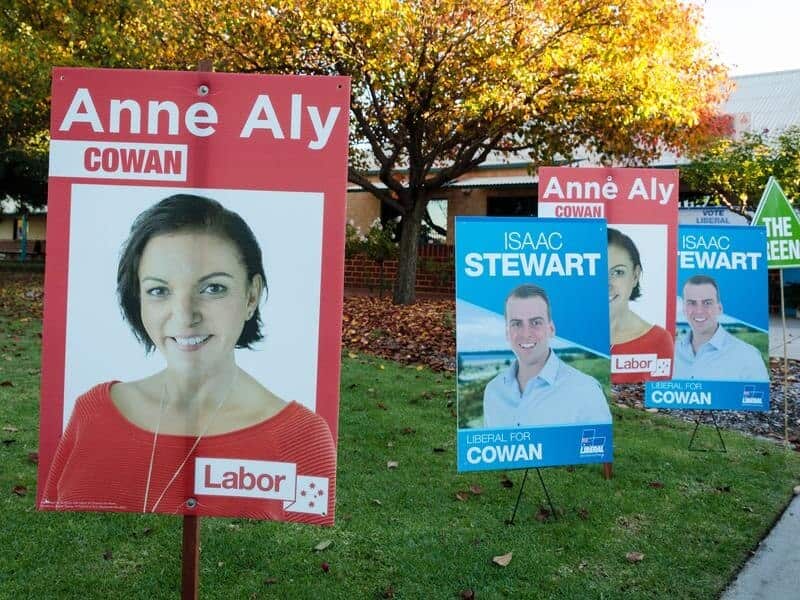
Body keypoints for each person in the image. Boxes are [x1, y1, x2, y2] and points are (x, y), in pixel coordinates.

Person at [41, 194, 336, 523]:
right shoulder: (91, 411)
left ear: (251, 295)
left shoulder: (301, 438)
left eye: (213, 288)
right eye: (159, 290)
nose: (184, 316)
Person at [482, 284, 611, 428]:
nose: (526, 334)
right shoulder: (493, 391)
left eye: (536, 322)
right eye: (517, 324)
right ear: (507, 332)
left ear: (551, 329)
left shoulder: (586, 391)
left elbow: (599, 448)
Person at [673, 274, 769, 381]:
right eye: (692, 303)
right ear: (684, 309)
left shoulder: (748, 356)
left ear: (719, 308)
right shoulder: (670, 353)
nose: (699, 311)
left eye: (707, 303)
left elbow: (757, 396)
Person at [607, 227, 673, 382]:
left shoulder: (659, 340)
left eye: (617, 272)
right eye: (597, 271)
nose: (607, 284)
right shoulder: (563, 337)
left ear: (635, 276)